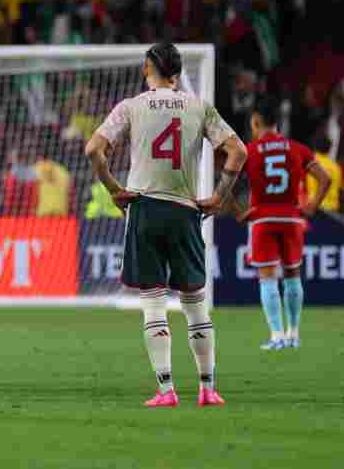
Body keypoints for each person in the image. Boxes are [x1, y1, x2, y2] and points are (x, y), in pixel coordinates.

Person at [85, 43, 247, 408]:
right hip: (186, 209)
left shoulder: (131, 106)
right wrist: (221, 195)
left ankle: (166, 390)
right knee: (194, 301)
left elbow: (93, 149)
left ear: (147, 69)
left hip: (144, 208)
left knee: (154, 301)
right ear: (177, 72)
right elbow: (239, 151)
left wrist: (114, 189)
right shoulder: (199, 106)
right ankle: (207, 388)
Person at [238, 97, 330, 350]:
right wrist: (312, 205)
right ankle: (293, 334)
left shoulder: (250, 150)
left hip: (263, 218)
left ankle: (277, 336)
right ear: (277, 123)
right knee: (292, 276)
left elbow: (228, 180)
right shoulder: (297, 148)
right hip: (292, 218)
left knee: (267, 278)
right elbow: (325, 179)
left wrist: (238, 210)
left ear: (256, 122)